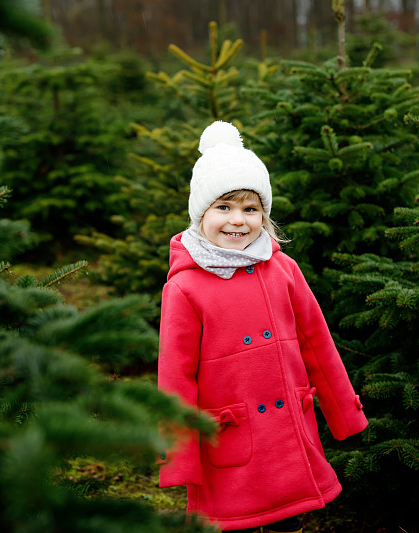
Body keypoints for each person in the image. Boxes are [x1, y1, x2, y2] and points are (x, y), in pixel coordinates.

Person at [158, 120, 368, 533]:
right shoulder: (184, 287)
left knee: (289, 521)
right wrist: (179, 454)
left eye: (250, 209)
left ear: (263, 215)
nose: (238, 220)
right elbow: (175, 377)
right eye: (224, 207)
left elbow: (317, 344)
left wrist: (345, 412)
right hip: (232, 440)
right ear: (201, 213)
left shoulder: (282, 269)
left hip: (286, 436)